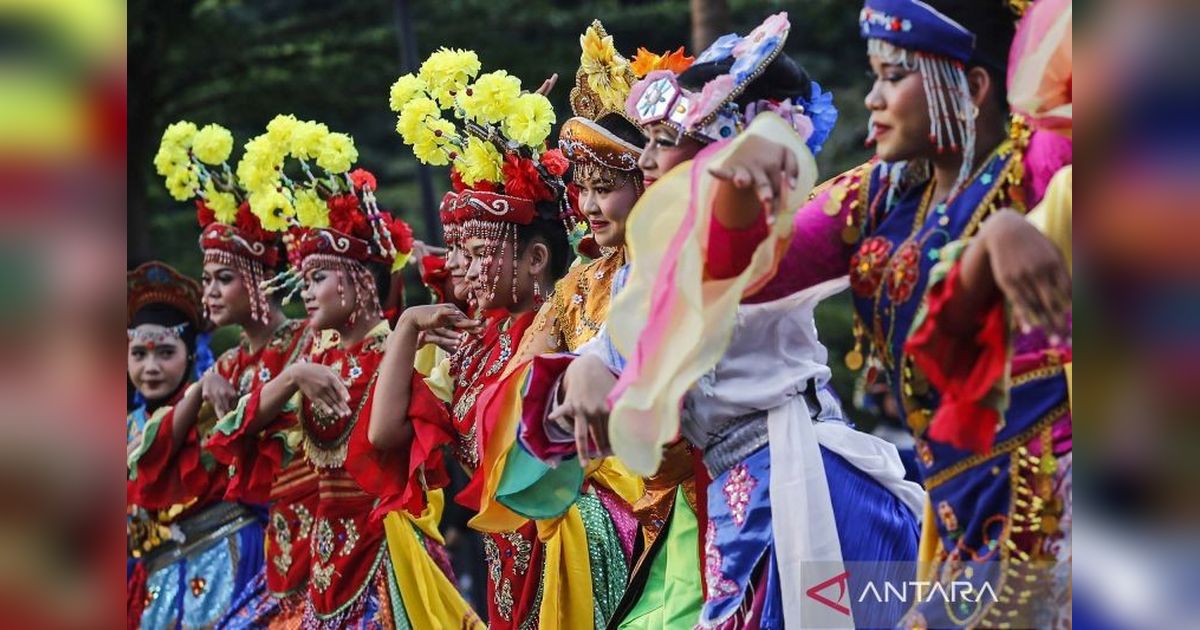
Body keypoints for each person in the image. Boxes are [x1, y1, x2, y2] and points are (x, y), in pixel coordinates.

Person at [650, 2, 1071, 626]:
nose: (872, 99)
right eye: (872, 75)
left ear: (973, 87)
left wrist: (1020, 228)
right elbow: (742, 276)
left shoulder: (1050, 165)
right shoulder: (878, 194)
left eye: (893, 76)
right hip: (962, 523)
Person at [556, 12, 924, 629]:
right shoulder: (646, 265)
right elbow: (614, 344)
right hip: (738, 491)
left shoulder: (765, 236)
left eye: (662, 140)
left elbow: (874, 193)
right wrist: (588, 371)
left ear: (712, 146)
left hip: (799, 477)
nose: (644, 160)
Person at [372, 49, 640, 629]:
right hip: (509, 562)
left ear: (536, 258)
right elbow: (385, 433)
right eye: (458, 248)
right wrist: (408, 328)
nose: (460, 266)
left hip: (580, 543)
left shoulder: (572, 314)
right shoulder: (467, 344)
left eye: (477, 250)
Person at [230, 117, 479, 628]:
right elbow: (236, 429)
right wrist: (294, 375)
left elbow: (399, 451)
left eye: (318, 277)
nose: (305, 291)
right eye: (303, 279)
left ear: (361, 283)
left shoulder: (398, 354)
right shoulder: (309, 354)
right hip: (319, 562)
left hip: (384, 555)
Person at [143, 119, 322, 625]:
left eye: (224, 278)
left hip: (312, 534)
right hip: (241, 556)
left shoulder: (311, 340)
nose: (211, 293)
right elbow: (152, 461)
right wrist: (200, 389)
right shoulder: (225, 366)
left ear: (261, 282)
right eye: (207, 281)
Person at [126, 260, 267, 629]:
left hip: (225, 559)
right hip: (157, 587)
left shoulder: (214, 404)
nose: (151, 367)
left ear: (189, 354)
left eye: (165, 352)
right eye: (139, 354)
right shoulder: (123, 429)